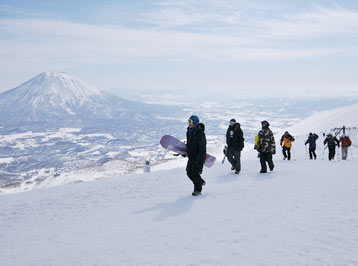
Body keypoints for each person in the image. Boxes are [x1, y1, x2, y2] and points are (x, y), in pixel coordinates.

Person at [186, 115, 207, 196]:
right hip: (191, 156)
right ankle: (200, 182)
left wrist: (200, 163)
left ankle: (197, 190)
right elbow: (189, 144)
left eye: (190, 122)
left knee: (195, 174)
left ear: (195, 123)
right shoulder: (189, 132)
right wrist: (186, 153)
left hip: (197, 158)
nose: (189, 123)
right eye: (188, 121)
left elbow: (202, 150)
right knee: (188, 173)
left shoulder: (200, 133)